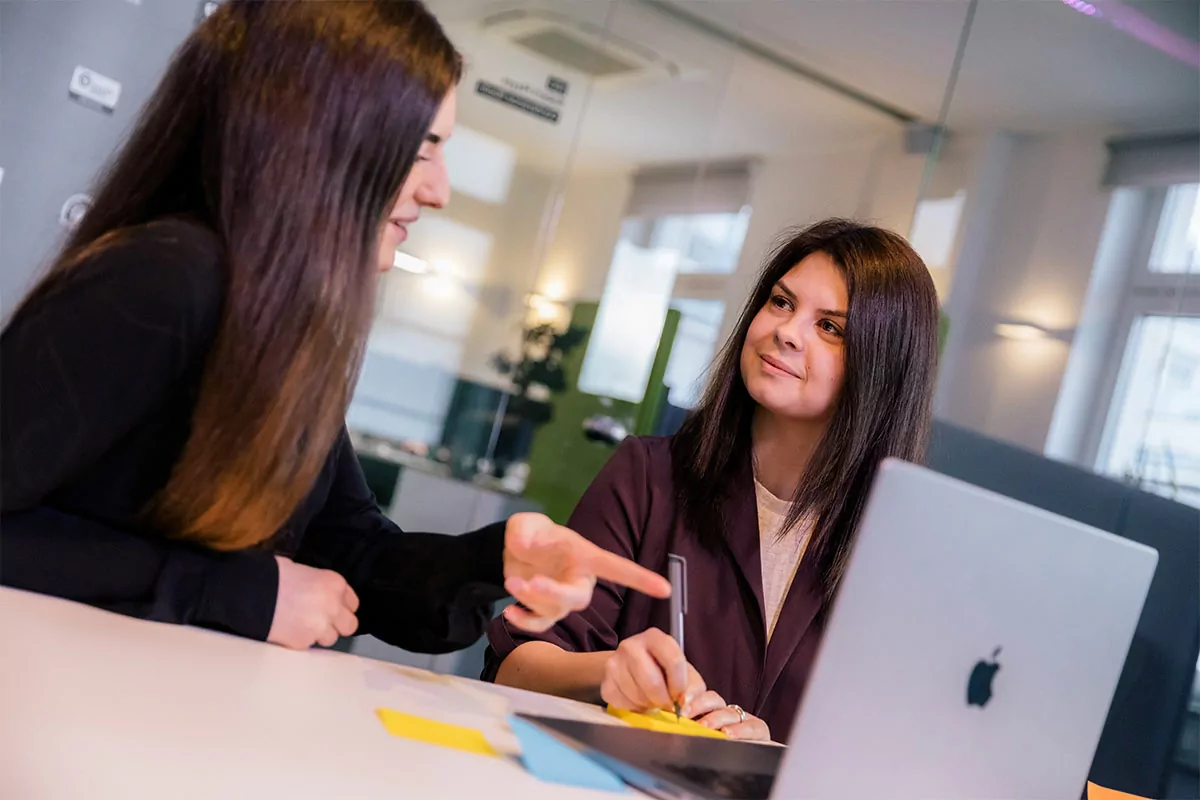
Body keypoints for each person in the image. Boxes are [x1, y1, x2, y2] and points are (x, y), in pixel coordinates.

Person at [0, 0, 669, 652]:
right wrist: (229, 591)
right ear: (329, 140)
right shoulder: (163, 278)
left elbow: (354, 553)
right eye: (423, 149)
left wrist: (494, 562)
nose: (439, 190)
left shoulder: (282, 325)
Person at [484, 219, 940, 743]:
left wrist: (772, 754)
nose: (786, 332)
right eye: (781, 302)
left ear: (883, 367)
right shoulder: (649, 476)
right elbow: (513, 666)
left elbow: (899, 755)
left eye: (830, 327)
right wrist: (607, 672)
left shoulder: (898, 554)